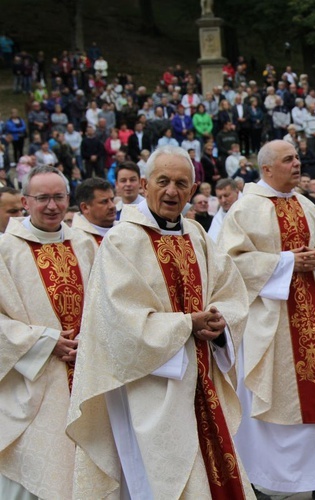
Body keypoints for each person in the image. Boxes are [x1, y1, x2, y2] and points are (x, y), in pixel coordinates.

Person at [67, 145, 254, 499]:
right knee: (162, 477)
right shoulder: (123, 240)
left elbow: (231, 292)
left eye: (182, 184)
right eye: (163, 181)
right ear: (143, 184)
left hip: (201, 376)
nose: (172, 191)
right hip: (150, 384)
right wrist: (186, 325)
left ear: (193, 189)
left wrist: (220, 322)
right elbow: (119, 320)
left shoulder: (197, 236)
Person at [219, 140, 315, 500]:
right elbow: (229, 263)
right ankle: (264, 480)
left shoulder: (305, 204)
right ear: (266, 169)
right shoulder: (246, 209)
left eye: (297, 157)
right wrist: (284, 263)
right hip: (272, 322)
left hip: (312, 313)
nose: (297, 164)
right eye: (288, 159)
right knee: (271, 398)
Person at [0, 166, 96, 498]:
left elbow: (107, 306)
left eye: (58, 197)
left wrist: (91, 339)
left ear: (68, 200)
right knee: (36, 474)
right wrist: (44, 341)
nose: (51, 206)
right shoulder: (5, 250)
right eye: (42, 198)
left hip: (86, 374)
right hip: (34, 381)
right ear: (25, 201)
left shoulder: (84, 244)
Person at [72, 177, 116, 244]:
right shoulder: (75, 239)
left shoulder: (124, 229)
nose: (112, 206)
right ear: (85, 207)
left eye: (112, 200)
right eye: (104, 202)